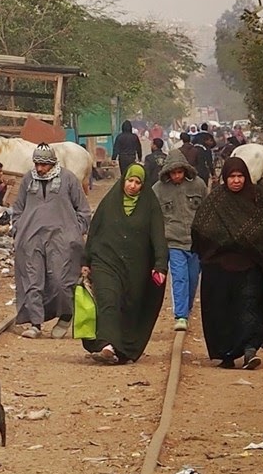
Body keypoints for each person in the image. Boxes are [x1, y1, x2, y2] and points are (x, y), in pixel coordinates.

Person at [191, 156, 263, 370]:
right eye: (232, 177)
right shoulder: (215, 201)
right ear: (225, 178)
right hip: (219, 269)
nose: (236, 181)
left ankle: (249, 350)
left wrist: (250, 242)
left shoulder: (259, 198)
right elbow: (201, 230)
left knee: (249, 307)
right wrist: (229, 240)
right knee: (222, 311)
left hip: (251, 266)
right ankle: (226, 354)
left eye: (240, 176)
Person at [81, 164, 168, 364]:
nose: (132, 186)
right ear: (123, 180)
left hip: (136, 267)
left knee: (129, 307)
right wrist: (86, 260)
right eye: (130, 181)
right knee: (108, 300)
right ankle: (107, 345)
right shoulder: (109, 202)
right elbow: (94, 231)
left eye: (138, 183)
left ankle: (122, 348)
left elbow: (158, 237)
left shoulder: (150, 206)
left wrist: (160, 264)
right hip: (106, 261)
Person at [11, 143, 91, 339]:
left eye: (44, 164)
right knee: (33, 280)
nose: (40, 168)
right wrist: (18, 228)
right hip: (31, 238)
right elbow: (18, 208)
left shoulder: (68, 179)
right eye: (37, 163)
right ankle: (35, 323)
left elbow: (83, 210)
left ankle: (65, 315)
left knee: (61, 280)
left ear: (53, 163)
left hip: (61, 239)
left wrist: (75, 232)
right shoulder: (28, 180)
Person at [153, 149, 208, 332]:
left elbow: (207, 211)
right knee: (179, 278)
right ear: (167, 173)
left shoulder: (199, 185)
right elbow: (153, 218)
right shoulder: (158, 190)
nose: (177, 176)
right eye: (173, 172)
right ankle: (181, 316)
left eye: (180, 172)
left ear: (185, 170)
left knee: (193, 279)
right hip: (173, 241)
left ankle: (188, 308)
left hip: (196, 242)